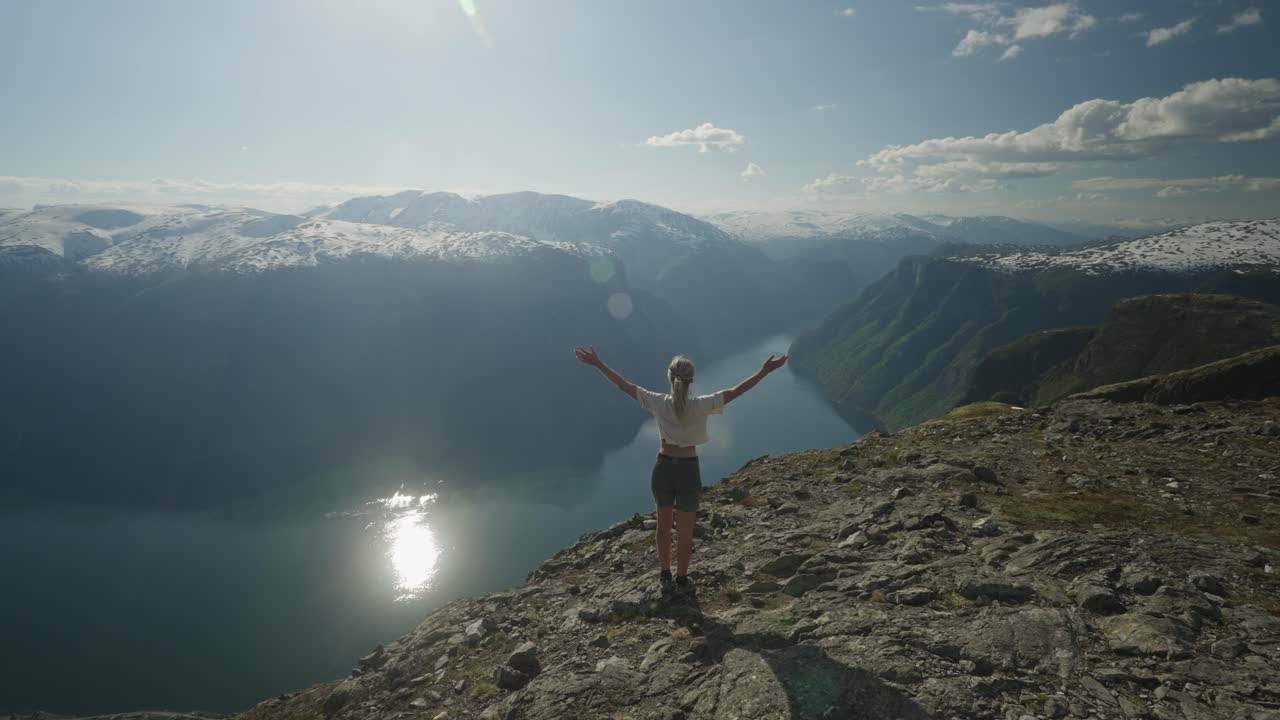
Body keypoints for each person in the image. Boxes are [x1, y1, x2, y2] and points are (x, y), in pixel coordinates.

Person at [574, 346, 788, 596]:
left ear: (669, 377)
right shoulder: (700, 405)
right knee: (685, 531)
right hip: (688, 471)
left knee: (663, 528)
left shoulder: (658, 402)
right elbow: (735, 391)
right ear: (691, 379)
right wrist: (764, 371)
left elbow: (624, 386)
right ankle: (682, 579)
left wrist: (598, 363)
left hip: (663, 468)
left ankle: (665, 573)